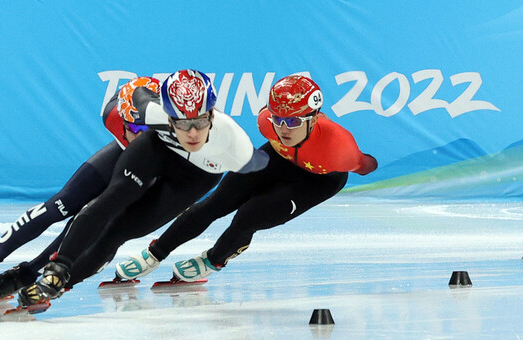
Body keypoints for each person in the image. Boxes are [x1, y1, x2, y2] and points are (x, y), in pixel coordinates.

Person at [20, 69, 269, 306]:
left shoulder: (237, 147)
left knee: (118, 232)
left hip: (195, 177)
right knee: (110, 202)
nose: (192, 133)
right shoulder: (152, 110)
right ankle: (56, 271)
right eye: (181, 123)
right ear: (168, 116)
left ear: (212, 115)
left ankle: (59, 286)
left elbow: (261, 165)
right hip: (158, 150)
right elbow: (137, 91)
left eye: (200, 122)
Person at [114, 74, 378, 282]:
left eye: (294, 122)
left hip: (319, 179)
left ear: (314, 118)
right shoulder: (266, 122)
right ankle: (155, 253)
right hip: (276, 159)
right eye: (279, 119)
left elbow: (365, 164)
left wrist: (365, 162)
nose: (284, 129)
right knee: (215, 203)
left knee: (249, 216)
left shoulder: (340, 150)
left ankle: (214, 259)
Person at [0, 76, 161, 298]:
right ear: (122, 122)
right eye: (134, 129)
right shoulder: (112, 115)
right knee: (58, 205)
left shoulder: (171, 128)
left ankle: (29, 273)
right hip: (120, 153)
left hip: (151, 166)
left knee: (88, 222)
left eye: (148, 131)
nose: (140, 137)